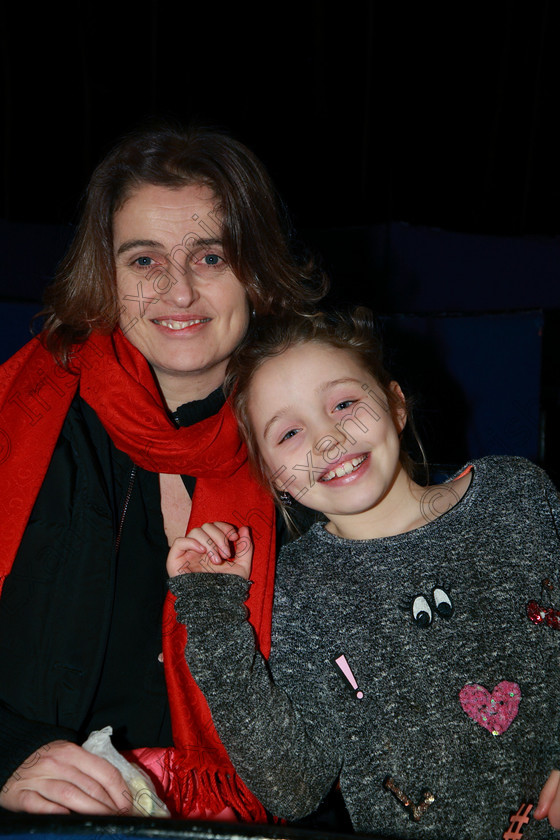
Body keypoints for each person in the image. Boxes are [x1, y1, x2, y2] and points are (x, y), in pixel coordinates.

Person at [0, 124, 326, 819]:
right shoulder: (19, 418)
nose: (178, 292)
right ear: (105, 274)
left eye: (210, 256)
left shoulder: (322, 442)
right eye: (144, 260)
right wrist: (9, 755)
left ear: (258, 274)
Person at [167, 308, 560, 839]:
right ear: (271, 475)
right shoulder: (299, 595)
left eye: (345, 403)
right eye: (288, 433)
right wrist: (213, 616)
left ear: (396, 404)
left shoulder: (518, 497)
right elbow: (294, 788)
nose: (328, 438)